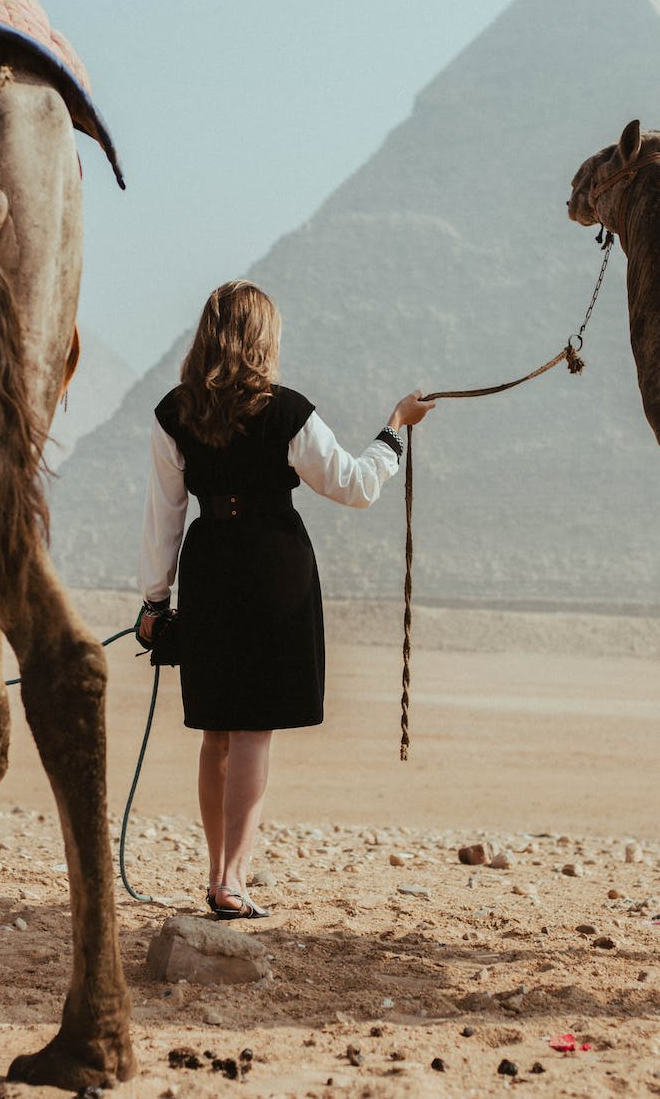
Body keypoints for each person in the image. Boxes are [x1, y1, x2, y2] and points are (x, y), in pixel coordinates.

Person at [138, 280, 434, 919]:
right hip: (274, 566)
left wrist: (154, 604)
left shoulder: (171, 413)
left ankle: (218, 873)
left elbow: (162, 516)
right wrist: (395, 427)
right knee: (251, 731)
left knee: (216, 728)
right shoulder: (286, 410)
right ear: (262, 337)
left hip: (210, 565)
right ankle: (233, 883)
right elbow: (354, 486)